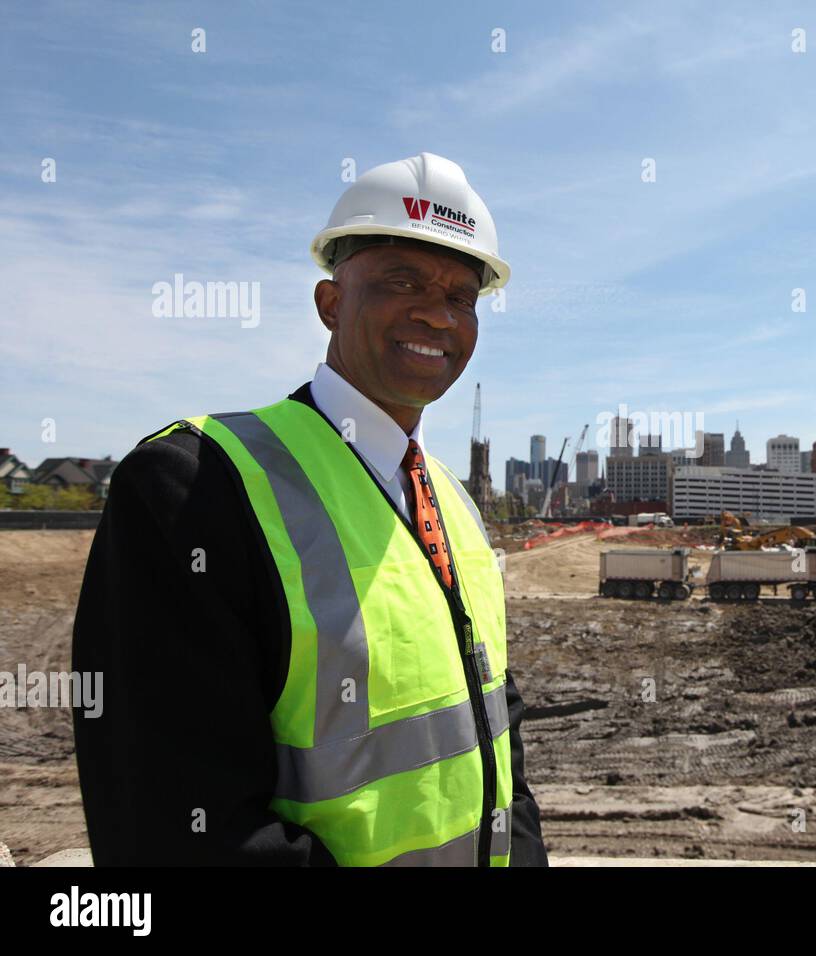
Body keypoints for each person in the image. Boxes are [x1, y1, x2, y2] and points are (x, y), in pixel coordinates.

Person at [72, 153, 546, 867]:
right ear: (330, 303)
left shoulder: (454, 504)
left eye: (462, 295)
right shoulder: (196, 488)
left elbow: (498, 743)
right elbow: (175, 830)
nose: (437, 313)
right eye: (402, 280)